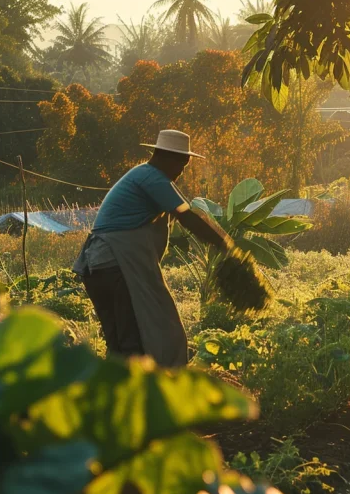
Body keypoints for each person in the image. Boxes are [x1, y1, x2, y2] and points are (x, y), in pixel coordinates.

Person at [73, 129, 234, 367]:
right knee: (134, 341)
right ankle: (141, 396)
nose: (180, 173)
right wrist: (228, 246)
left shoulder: (141, 175)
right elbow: (186, 216)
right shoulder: (153, 178)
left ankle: (115, 396)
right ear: (167, 158)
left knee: (117, 344)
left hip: (96, 267)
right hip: (116, 265)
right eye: (182, 166)